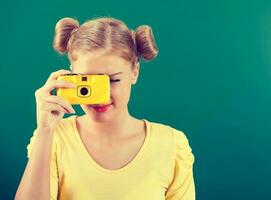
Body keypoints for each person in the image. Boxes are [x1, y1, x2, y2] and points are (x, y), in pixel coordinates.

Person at [15, 16, 196, 200]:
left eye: (114, 80)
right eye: (87, 81)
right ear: (71, 73)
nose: (102, 97)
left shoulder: (171, 146)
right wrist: (45, 131)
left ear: (135, 72)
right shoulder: (54, 138)